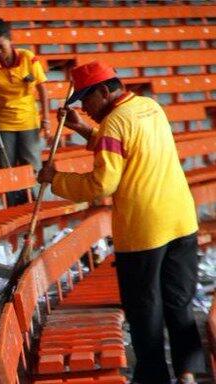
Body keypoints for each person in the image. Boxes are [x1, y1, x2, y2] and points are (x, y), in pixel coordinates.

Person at [37, 60, 203, 384]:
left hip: (145, 228)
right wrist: (84, 130)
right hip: (182, 219)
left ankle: (155, 378)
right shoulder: (149, 107)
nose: (84, 108)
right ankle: (187, 374)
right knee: (179, 302)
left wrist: (57, 179)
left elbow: (102, 185)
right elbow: (130, 146)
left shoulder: (113, 124)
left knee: (145, 311)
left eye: (86, 100)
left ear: (103, 91)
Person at [0, 17, 50, 206]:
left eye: (0, 47)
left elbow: (42, 89)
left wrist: (45, 119)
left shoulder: (29, 58)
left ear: (10, 40)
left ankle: (32, 207)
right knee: (7, 169)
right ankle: (14, 209)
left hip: (29, 122)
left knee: (31, 167)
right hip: (2, 125)